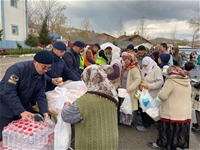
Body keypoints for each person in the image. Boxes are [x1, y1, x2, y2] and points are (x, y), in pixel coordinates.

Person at [61, 65, 119, 150]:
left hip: (92, 144)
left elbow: (66, 116)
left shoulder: (84, 101)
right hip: (111, 141)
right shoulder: (113, 94)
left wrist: (66, 105)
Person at [0, 50, 54, 140]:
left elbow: (41, 96)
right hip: (6, 109)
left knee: (20, 137)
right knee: (4, 137)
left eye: (49, 68)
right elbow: (9, 92)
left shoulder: (41, 76)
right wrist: (21, 111)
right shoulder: (17, 70)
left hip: (24, 107)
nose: (46, 71)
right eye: (44, 67)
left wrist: (45, 115)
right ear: (35, 62)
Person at [148, 66, 192, 150]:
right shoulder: (187, 81)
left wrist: (160, 91)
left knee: (166, 130)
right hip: (184, 112)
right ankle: (174, 146)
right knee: (177, 131)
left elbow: (162, 96)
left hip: (171, 111)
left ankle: (162, 144)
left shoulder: (171, 81)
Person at [137, 57, 163, 132]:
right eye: (144, 65)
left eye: (146, 65)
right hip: (145, 92)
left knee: (149, 109)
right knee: (144, 108)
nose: (145, 67)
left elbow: (160, 82)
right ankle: (145, 122)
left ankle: (146, 125)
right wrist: (141, 85)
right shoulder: (144, 69)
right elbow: (143, 78)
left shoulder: (156, 69)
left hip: (152, 93)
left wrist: (149, 86)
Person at [119, 54, 141, 125]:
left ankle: (128, 121)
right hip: (124, 90)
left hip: (130, 90)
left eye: (128, 59)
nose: (126, 60)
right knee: (124, 105)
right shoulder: (126, 67)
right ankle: (123, 120)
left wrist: (130, 88)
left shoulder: (134, 68)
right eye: (125, 59)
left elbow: (138, 80)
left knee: (129, 106)